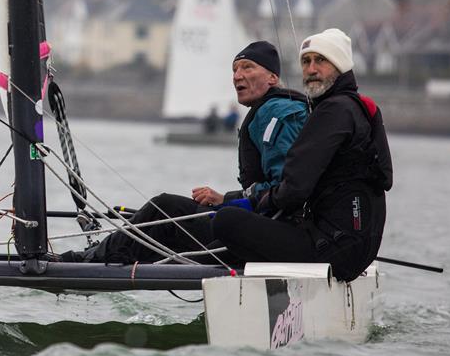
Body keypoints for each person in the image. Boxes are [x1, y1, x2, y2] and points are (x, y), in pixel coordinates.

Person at [63, 41, 308, 263]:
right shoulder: (272, 109)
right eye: (234, 69)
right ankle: (100, 254)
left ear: (273, 78)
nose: (237, 76)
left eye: (247, 67)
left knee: (165, 208)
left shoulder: (277, 113)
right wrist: (227, 198)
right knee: (166, 211)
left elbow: (284, 188)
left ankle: (92, 260)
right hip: (259, 222)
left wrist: (228, 200)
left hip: (265, 231)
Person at [211, 28, 393, 281]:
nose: (311, 69)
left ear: (340, 65)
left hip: (333, 250)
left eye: (321, 60)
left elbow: (293, 190)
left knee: (226, 221)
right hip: (357, 249)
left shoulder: (333, 112)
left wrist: (251, 202)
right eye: (306, 62)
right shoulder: (359, 107)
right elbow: (385, 178)